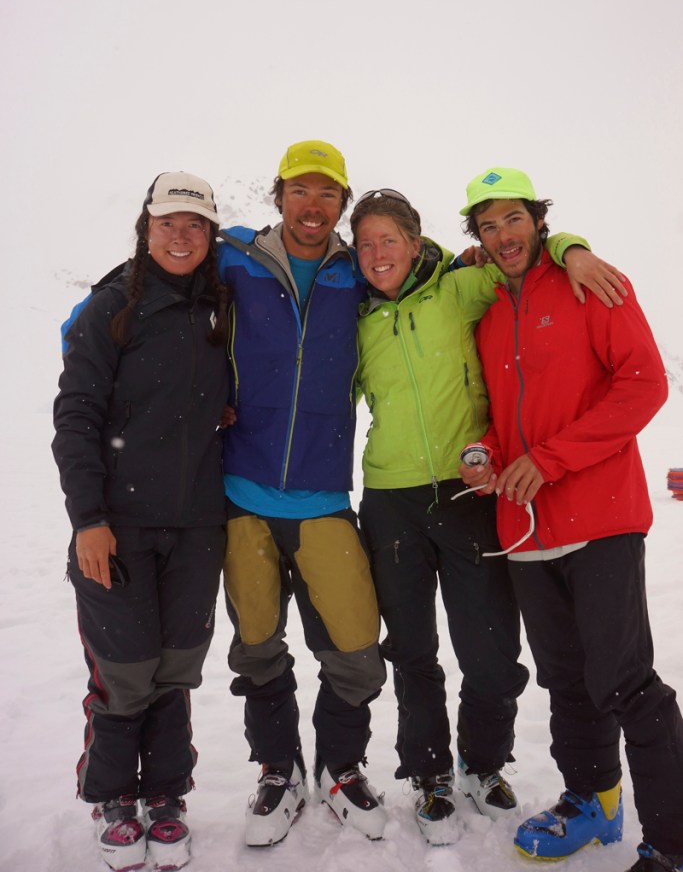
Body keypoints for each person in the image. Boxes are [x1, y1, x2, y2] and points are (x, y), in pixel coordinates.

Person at [349, 188, 625, 845]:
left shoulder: (461, 288)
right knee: (413, 650)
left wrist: (570, 246)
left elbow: (517, 257)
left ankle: (481, 762)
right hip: (391, 499)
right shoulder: (352, 317)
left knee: (494, 654)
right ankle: (429, 774)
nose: (377, 253)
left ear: (416, 244)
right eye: (365, 244)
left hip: (471, 492)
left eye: (390, 239)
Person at [458, 167, 683, 871]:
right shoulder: (487, 307)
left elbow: (643, 385)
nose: (502, 236)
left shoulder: (587, 282)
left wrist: (551, 460)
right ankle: (591, 802)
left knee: (625, 681)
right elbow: (500, 417)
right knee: (565, 681)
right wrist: (481, 453)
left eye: (512, 220)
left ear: (537, 220)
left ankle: (672, 840)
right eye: (488, 225)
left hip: (601, 518)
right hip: (524, 530)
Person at [52, 172, 230, 872]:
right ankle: (112, 798)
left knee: (175, 669)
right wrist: (88, 518)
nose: (180, 235)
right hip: (117, 527)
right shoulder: (111, 307)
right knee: (124, 672)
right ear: (145, 228)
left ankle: (165, 793)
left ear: (211, 234)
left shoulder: (222, 302)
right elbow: (76, 416)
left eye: (194, 224)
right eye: (167, 223)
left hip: (195, 524)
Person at [216, 141, 387, 845]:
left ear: (341, 206)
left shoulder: (360, 271)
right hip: (241, 492)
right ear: (278, 194)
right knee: (257, 646)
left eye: (327, 194)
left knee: (354, 648)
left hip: (320, 493)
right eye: (300, 191)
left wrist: (565, 244)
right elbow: (139, 283)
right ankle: (277, 770)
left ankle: (341, 768)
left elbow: (432, 261)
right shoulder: (232, 257)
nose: (312, 206)